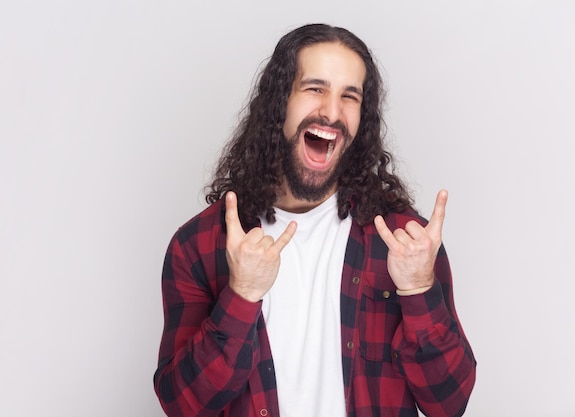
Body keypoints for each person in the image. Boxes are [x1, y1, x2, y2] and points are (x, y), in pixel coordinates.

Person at [154, 23, 476, 417]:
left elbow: (449, 403)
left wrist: (419, 289)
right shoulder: (200, 244)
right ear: (280, 103)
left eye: (349, 96)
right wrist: (240, 296)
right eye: (315, 88)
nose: (332, 111)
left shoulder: (402, 240)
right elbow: (182, 405)